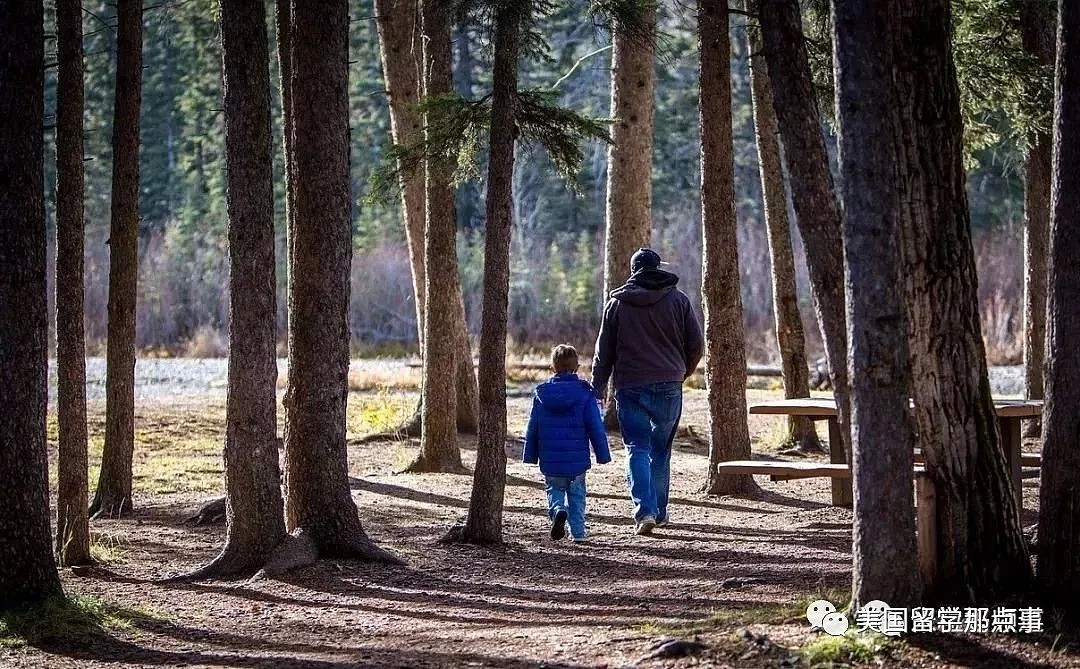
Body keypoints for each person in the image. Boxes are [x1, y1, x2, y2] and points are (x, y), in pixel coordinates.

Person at [591, 248, 703, 535]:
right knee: (661, 451)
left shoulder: (616, 304)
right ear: (657, 268)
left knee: (636, 448)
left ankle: (645, 512)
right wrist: (681, 372)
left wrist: (598, 387)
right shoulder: (678, 300)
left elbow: (603, 353)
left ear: (633, 270)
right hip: (669, 384)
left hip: (630, 387)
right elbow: (696, 345)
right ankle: (660, 512)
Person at [523, 344, 611, 542]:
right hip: (577, 460)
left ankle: (557, 510)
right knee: (577, 496)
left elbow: (533, 426)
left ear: (552, 368)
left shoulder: (541, 395)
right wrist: (602, 454)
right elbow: (595, 426)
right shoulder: (585, 394)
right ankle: (578, 533)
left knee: (554, 489)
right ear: (577, 367)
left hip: (551, 459)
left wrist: (530, 455)